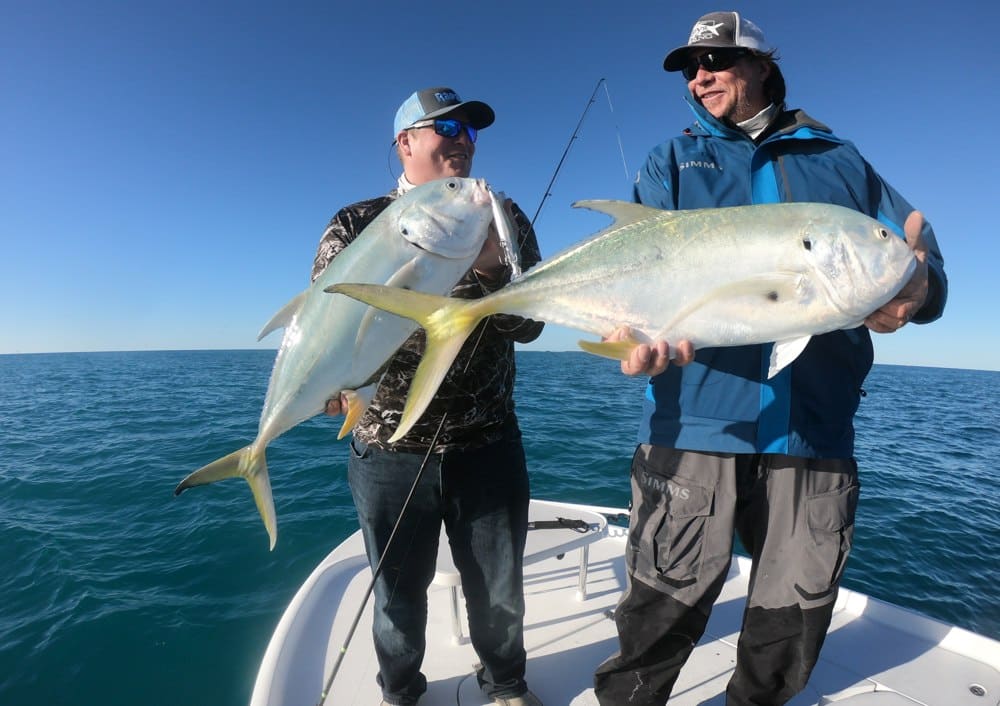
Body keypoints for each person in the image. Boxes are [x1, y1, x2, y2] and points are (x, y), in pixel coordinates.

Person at [593, 12, 947, 706]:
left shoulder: (841, 161)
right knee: (658, 612)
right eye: (691, 67)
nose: (701, 76)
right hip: (694, 427)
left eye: (717, 60)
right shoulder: (672, 160)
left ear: (761, 67)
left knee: (791, 620)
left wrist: (919, 286)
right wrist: (629, 340)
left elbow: (918, 257)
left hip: (813, 430)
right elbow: (633, 281)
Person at [313, 87, 545, 706]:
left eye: (472, 130)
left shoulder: (504, 215)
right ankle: (400, 691)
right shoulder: (355, 224)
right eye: (448, 126)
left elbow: (531, 325)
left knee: (499, 591)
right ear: (406, 142)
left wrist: (498, 273)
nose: (464, 140)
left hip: (488, 442)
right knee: (395, 593)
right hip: (388, 448)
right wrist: (330, 388)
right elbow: (326, 326)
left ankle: (505, 685)